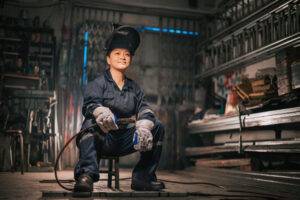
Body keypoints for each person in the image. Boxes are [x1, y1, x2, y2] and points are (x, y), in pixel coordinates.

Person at [74, 25, 165, 193]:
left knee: (158, 126)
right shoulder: (97, 83)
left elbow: (144, 107)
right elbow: (90, 104)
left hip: (124, 139)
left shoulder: (134, 88)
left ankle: (142, 178)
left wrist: (144, 125)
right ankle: (85, 176)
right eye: (117, 53)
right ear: (108, 59)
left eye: (127, 54)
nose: (123, 57)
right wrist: (100, 112)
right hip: (103, 140)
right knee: (89, 123)